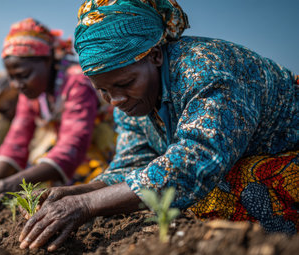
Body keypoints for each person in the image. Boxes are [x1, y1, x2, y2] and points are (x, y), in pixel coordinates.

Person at [17, 0, 299, 251]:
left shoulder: (206, 70)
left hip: (288, 156)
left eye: (125, 84)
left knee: (216, 189)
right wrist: (80, 192)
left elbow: (195, 164)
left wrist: (86, 206)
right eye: (103, 91)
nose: (114, 100)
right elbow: (133, 162)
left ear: (155, 56)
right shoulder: (131, 100)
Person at [0, 18, 115, 213]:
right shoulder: (32, 93)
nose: (16, 85)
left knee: (83, 186)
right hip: (70, 153)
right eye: (11, 78)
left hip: (102, 148)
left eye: (23, 75)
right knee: (38, 172)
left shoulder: (76, 81)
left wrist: (12, 182)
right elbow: (16, 140)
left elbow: (73, 144)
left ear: (47, 61)